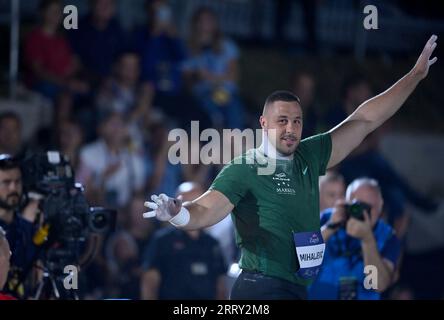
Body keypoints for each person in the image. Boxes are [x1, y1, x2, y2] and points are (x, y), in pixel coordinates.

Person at [143, 35, 438, 299]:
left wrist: (414, 76)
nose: (291, 128)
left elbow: (365, 120)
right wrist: (178, 214)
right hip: (260, 287)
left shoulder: (310, 155)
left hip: (297, 287)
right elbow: (206, 209)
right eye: (282, 120)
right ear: (263, 124)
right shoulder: (245, 167)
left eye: (296, 121)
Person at [309, 178, 401, 299]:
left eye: (370, 207)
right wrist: (330, 227)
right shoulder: (328, 218)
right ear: (347, 201)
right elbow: (299, 259)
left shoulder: (388, 236)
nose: (364, 212)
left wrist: (367, 239)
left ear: (380, 206)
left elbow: (378, 284)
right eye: (358, 206)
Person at [140, 181, 227, 300]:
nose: (192, 208)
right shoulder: (163, 240)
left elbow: (220, 284)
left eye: (196, 202)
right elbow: (150, 281)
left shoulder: (212, 243)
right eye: (187, 203)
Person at [0, 155, 39, 299]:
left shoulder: (28, 229)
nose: (13, 188)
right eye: (6, 182)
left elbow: (39, 272)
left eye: (17, 182)